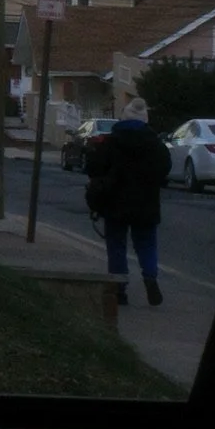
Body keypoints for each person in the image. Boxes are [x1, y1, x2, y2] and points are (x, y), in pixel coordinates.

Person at [86, 95, 172, 305]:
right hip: (146, 203)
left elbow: (94, 168)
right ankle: (150, 277)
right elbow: (165, 169)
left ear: (123, 118)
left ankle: (119, 287)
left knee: (116, 244)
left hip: (115, 202)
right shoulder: (156, 144)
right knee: (146, 244)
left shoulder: (111, 142)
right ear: (145, 119)